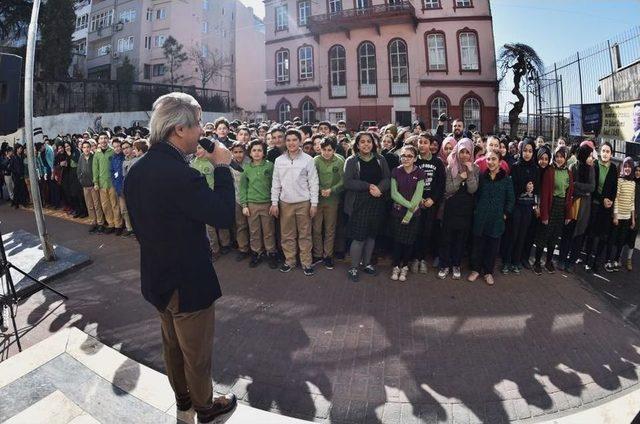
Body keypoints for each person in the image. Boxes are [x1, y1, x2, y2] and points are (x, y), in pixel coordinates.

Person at [124, 92, 238, 423]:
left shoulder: (138, 169)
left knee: (172, 346)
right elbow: (222, 215)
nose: (202, 131)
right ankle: (205, 406)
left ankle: (183, 399)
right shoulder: (180, 175)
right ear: (178, 130)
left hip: (157, 277)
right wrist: (221, 167)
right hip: (187, 281)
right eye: (198, 124)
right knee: (196, 354)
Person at [270, 128, 319, 276]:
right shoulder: (279, 160)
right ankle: (289, 261)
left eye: (294, 140)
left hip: (304, 202)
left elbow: (314, 182)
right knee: (287, 234)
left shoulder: (308, 160)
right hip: (285, 203)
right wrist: (274, 202)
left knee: (305, 234)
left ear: (300, 141)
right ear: (285, 142)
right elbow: (276, 183)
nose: (291, 143)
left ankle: (306, 262)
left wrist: (314, 203)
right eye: (289, 140)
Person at [344, 131, 390, 282]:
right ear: (357, 145)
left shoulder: (380, 159)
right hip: (359, 203)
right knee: (359, 237)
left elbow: (387, 178)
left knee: (371, 235)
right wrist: (369, 186)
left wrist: (380, 189)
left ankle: (367, 263)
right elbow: (348, 182)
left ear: (373, 143)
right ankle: (354, 267)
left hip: (377, 201)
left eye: (368, 141)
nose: (366, 144)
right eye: (362, 142)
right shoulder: (351, 160)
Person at [468, 150, 515, 285]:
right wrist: (477, 210)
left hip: (496, 220)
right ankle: (475, 269)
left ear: (500, 162)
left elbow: (511, 199)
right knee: (478, 245)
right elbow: (476, 195)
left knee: (492, 247)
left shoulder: (506, 180)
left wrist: (505, 214)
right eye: (488, 159)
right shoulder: (482, 177)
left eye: (494, 159)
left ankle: (488, 272)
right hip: (481, 217)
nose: (491, 162)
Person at [438, 138, 479, 280]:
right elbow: (448, 189)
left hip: (466, 209)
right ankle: (444, 265)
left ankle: (456, 264)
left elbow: (473, 189)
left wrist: (470, 173)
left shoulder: (475, 168)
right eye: (462, 152)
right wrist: (460, 178)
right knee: (446, 238)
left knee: (460, 239)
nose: (465, 155)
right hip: (451, 208)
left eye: (468, 152)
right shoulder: (450, 167)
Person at [533, 146, 574, 275]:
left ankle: (549, 261)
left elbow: (569, 194)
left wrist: (568, 214)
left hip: (562, 207)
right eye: (557, 156)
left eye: (562, 156)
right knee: (543, 235)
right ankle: (537, 261)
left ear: (566, 157)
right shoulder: (549, 171)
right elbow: (544, 195)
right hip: (551, 204)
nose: (559, 159)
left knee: (555, 236)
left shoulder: (568, 172)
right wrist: (544, 215)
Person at [240, 139, 278, 269]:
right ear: (250, 153)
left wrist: (274, 202)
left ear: (264, 152)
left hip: (267, 203)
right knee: (254, 230)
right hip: (252, 204)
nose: (257, 153)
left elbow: (275, 184)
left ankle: (271, 252)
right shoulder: (246, 168)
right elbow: (243, 187)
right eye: (254, 150)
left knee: (268, 230)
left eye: (259, 150)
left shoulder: (269, 166)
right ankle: (256, 252)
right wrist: (244, 205)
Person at [502, 138, 538, 274]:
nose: (527, 154)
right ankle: (506, 261)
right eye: (525, 151)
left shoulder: (535, 168)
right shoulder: (516, 167)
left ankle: (516, 262)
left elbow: (537, 188)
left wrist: (532, 191)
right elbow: (511, 189)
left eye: (530, 151)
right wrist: (524, 187)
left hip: (528, 207)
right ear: (520, 151)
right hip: (516, 206)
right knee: (512, 234)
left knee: (522, 235)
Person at [389, 145, 425, 282]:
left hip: (413, 215)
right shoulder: (395, 171)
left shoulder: (420, 173)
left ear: (415, 158)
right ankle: (396, 266)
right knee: (397, 241)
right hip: (398, 213)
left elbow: (418, 195)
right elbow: (394, 193)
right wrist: (410, 206)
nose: (406, 158)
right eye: (403, 155)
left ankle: (405, 266)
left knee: (409, 242)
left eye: (410, 156)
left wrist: (409, 214)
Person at [411, 132, 445, 274]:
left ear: (431, 145)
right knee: (415, 230)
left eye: (426, 142)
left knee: (427, 231)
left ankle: (423, 259)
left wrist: (433, 199)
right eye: (420, 142)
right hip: (416, 202)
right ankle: (415, 259)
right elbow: (409, 182)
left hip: (431, 203)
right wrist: (418, 199)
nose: (422, 145)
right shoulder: (414, 161)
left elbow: (441, 183)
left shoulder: (437, 162)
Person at [560, 144, 595, 271]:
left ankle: (571, 261)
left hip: (584, 208)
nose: (592, 158)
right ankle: (562, 259)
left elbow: (592, 187)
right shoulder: (572, 167)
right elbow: (570, 187)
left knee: (579, 235)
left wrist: (577, 185)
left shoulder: (591, 169)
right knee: (567, 233)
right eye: (590, 155)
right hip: (572, 205)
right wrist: (581, 189)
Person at [584, 142, 618, 273]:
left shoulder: (614, 168)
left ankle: (596, 261)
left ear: (611, 154)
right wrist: (602, 199)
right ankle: (587, 260)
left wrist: (610, 201)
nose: (605, 153)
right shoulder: (595, 166)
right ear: (599, 152)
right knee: (592, 234)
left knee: (603, 236)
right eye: (603, 150)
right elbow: (592, 188)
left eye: (608, 151)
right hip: (595, 205)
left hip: (607, 207)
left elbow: (615, 187)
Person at [312, 137, 345, 269]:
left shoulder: (340, 161)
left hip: (332, 199)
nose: (326, 153)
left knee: (330, 228)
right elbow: (311, 178)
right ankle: (317, 253)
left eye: (329, 150)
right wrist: (320, 190)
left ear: (334, 150)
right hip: (318, 199)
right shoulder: (315, 160)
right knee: (316, 227)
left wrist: (332, 189)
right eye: (324, 150)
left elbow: (343, 180)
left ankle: (328, 255)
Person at [605, 157, 636, 272]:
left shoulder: (633, 183)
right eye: (625, 166)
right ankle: (608, 260)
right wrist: (616, 215)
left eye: (629, 166)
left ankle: (617, 260)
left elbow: (632, 201)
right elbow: (616, 199)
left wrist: (633, 219)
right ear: (622, 167)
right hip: (618, 216)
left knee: (621, 240)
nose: (627, 169)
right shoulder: (619, 180)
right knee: (612, 239)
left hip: (627, 217)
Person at [93, 133, 122, 234]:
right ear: (98, 141)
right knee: (105, 205)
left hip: (112, 183)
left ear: (108, 140)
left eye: (105, 138)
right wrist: (95, 182)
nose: (103, 140)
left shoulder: (113, 151)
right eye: (101, 138)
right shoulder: (97, 153)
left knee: (115, 204)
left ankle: (118, 225)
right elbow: (95, 169)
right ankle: (111, 224)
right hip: (101, 184)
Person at [229, 142, 251, 261]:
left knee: (253, 226)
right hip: (237, 198)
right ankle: (243, 248)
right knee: (241, 225)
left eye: (241, 151)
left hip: (252, 198)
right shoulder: (230, 164)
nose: (238, 154)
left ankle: (256, 249)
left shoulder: (250, 162)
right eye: (235, 152)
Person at [77, 140, 105, 232]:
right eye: (84, 147)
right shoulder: (81, 157)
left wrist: (95, 182)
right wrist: (81, 180)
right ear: (82, 148)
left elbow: (97, 169)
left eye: (88, 147)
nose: (86, 149)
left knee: (97, 205)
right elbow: (78, 170)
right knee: (90, 205)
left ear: (90, 148)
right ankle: (93, 222)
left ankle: (100, 223)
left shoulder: (94, 156)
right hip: (85, 186)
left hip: (94, 185)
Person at [620, 164, 640, 270]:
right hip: (627, 213)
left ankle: (629, 260)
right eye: (636, 170)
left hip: (637, 216)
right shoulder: (630, 181)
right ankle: (618, 257)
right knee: (623, 236)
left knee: (632, 239)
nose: (637, 172)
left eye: (639, 171)